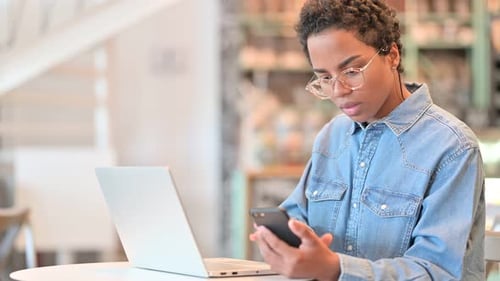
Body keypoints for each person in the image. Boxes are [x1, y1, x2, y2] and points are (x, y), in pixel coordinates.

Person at [249, 0, 485, 280]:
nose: (339, 91)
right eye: (324, 77)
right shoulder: (331, 136)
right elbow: (297, 218)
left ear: (392, 55)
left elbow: (440, 271)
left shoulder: (451, 147)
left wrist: (336, 269)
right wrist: (283, 242)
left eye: (352, 71)